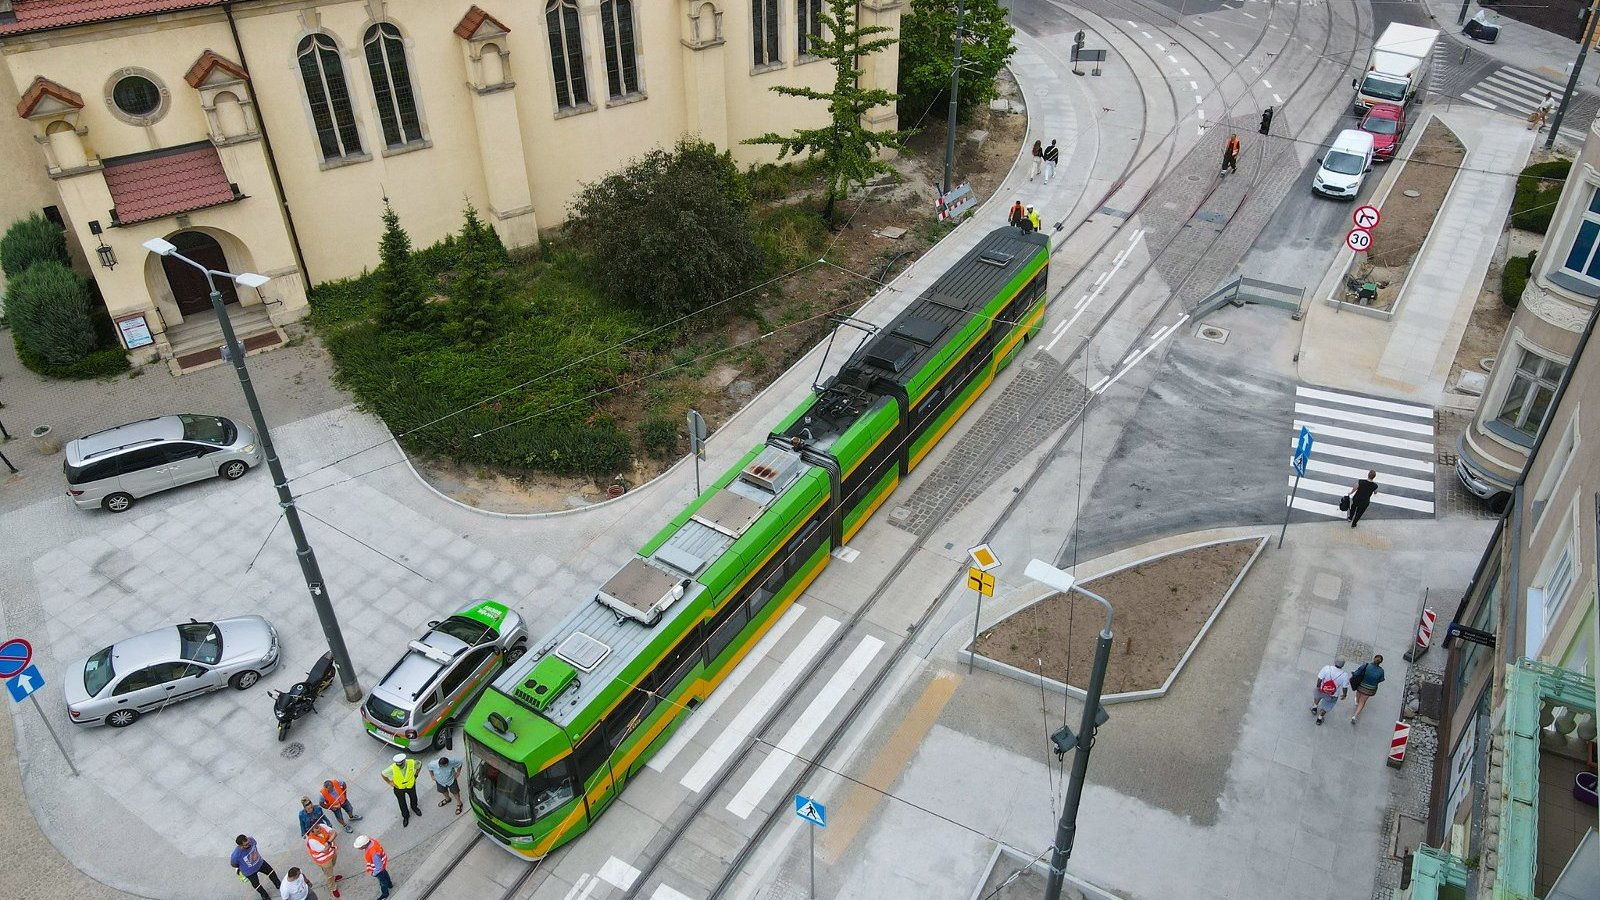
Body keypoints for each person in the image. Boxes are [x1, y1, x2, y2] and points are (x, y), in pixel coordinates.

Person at [231, 834, 282, 900]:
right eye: (246, 845)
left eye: (248, 842)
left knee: (271, 872)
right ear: (240, 846)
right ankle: (264, 895)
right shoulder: (236, 855)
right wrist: (243, 867)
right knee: (256, 885)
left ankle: (278, 884)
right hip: (249, 872)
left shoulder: (251, 840)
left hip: (259, 863)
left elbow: (254, 844)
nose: (248, 844)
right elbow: (233, 864)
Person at [305, 821, 344, 899]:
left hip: (332, 852)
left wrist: (328, 842)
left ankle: (333, 878)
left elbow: (335, 833)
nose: (319, 830)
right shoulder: (312, 841)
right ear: (311, 830)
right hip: (324, 860)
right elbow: (325, 850)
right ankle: (333, 888)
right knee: (329, 874)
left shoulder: (322, 826)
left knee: (332, 867)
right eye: (317, 830)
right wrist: (330, 839)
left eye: (319, 827)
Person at [382, 753, 423, 827]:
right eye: (398, 765)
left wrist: (416, 774)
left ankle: (414, 807)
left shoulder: (411, 762)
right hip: (399, 788)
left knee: (414, 798)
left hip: (410, 785)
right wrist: (390, 782)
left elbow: (419, 764)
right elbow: (383, 774)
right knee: (402, 803)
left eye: (401, 765)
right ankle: (406, 816)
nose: (399, 766)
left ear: (404, 761)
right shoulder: (392, 768)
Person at [1311, 657, 1350, 726]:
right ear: (1343, 665)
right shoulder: (1345, 675)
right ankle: (1319, 719)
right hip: (1332, 695)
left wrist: (1318, 687)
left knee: (1317, 697)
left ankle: (1314, 708)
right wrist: (1344, 694)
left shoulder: (1326, 668)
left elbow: (1320, 679)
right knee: (1326, 707)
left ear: (1335, 662)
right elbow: (1344, 687)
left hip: (1322, 690)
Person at [1349, 654, 1386, 725]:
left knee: (1358, 694)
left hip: (1361, 685)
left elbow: (1357, 672)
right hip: (1370, 689)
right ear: (1380, 662)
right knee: (1362, 702)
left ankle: (1356, 701)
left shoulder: (1367, 666)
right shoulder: (1381, 671)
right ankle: (1355, 716)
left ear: (1374, 658)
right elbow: (1381, 680)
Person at [354, 835, 393, 900]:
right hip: (382, 865)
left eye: (359, 847)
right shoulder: (372, 841)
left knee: (382, 882)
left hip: (378, 870)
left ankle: (385, 894)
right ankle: (390, 884)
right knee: (385, 874)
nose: (358, 848)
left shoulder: (373, 853)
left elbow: (378, 867)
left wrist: (374, 873)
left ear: (364, 845)